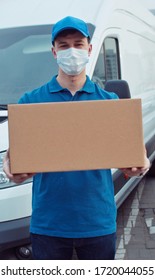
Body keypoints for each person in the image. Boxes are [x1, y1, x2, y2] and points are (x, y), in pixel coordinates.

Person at [3, 16, 150, 260]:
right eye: (64, 45)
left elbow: (129, 156)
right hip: (49, 223)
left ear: (89, 49)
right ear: (54, 52)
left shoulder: (108, 102)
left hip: (97, 220)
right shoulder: (31, 103)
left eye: (78, 44)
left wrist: (139, 164)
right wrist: (12, 169)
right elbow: (17, 159)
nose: (71, 51)